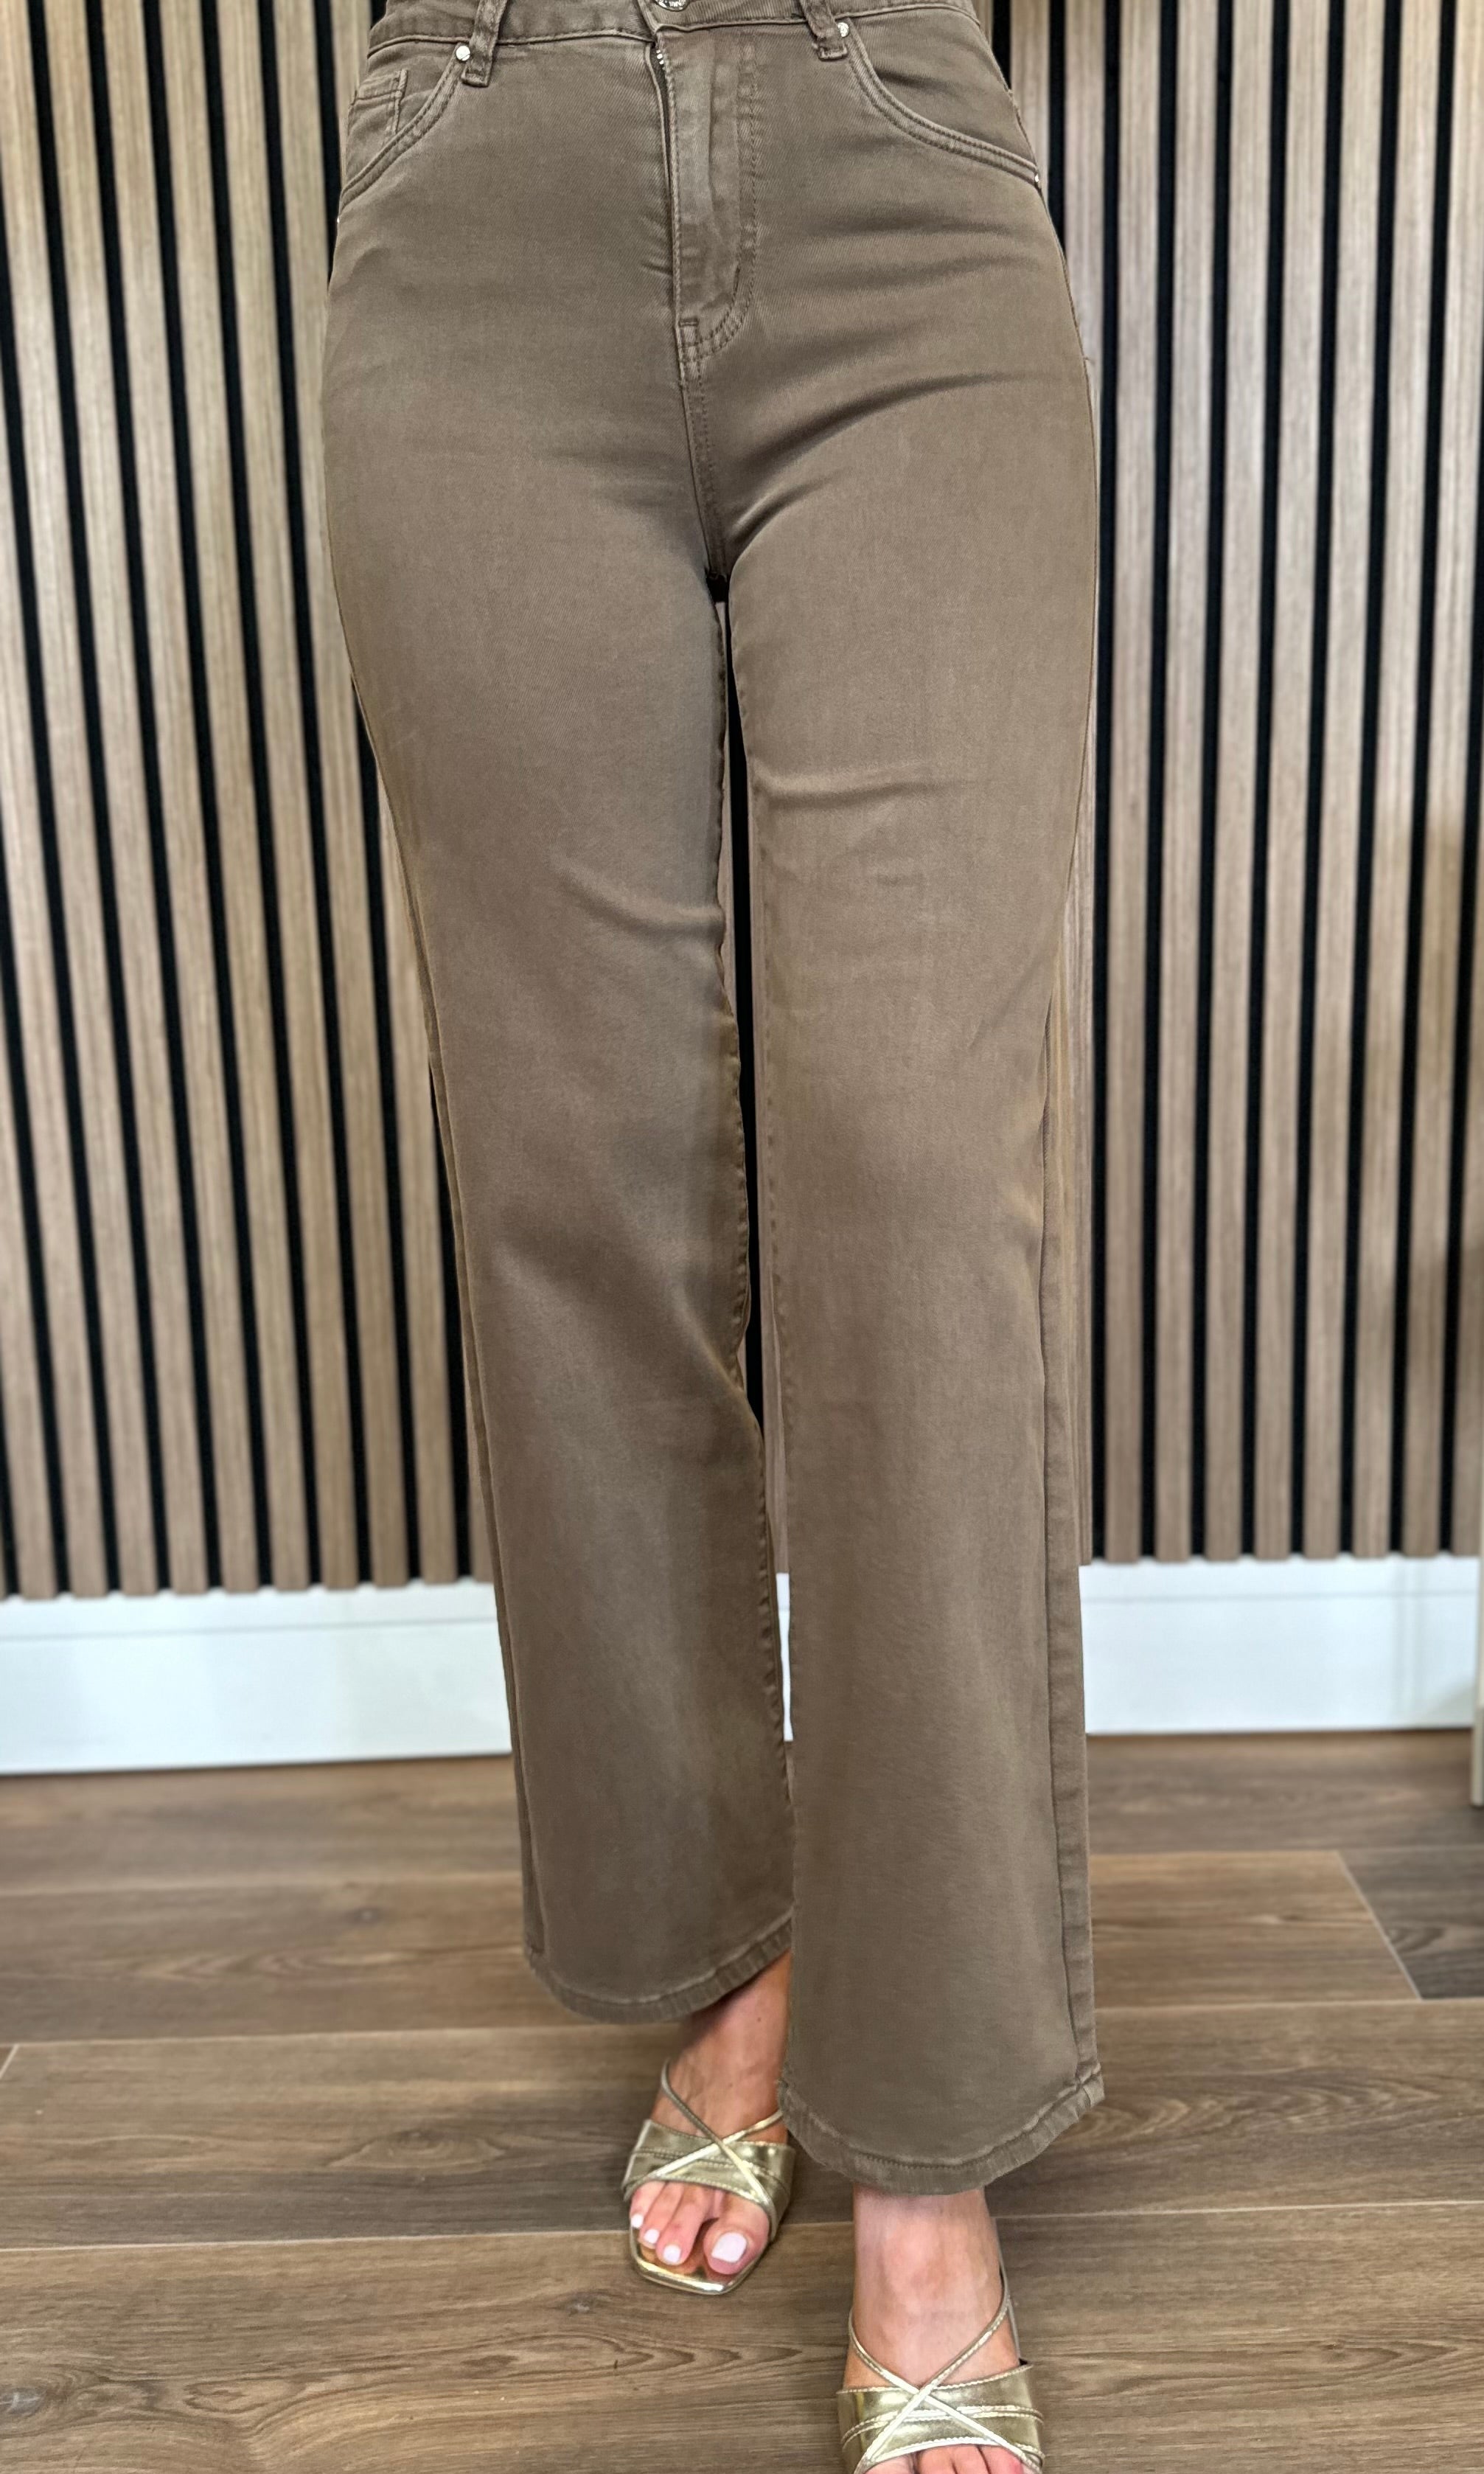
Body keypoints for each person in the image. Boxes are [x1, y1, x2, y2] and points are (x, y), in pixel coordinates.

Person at [321, 0, 1102, 2461]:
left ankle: (930, 2129)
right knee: (579, 1168)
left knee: (915, 1188)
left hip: (895, 167)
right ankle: (730, 1950)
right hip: (477, 171)